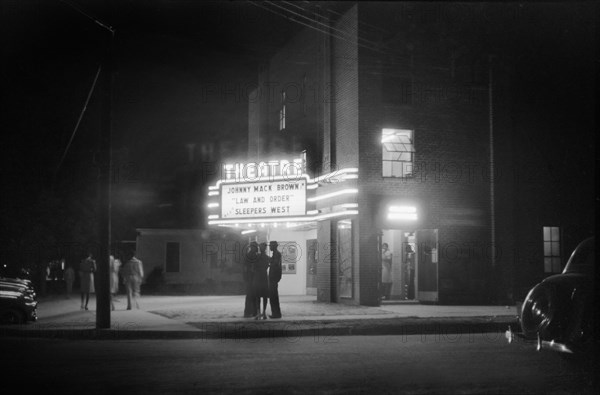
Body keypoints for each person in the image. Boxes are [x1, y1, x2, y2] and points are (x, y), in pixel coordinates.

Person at [253, 242, 270, 320]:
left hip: (260, 277)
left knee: (260, 296)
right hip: (262, 277)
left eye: (262, 247)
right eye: (261, 247)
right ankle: (261, 312)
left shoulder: (257, 257)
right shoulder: (266, 257)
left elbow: (254, 267)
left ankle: (261, 312)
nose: (261, 248)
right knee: (261, 296)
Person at [243, 242, 259, 317]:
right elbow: (246, 268)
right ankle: (249, 312)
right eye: (255, 247)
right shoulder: (249, 255)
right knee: (250, 295)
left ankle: (252, 312)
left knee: (253, 296)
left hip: (253, 278)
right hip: (250, 278)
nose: (256, 248)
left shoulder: (254, 255)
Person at [268, 240, 282, 318]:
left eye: (271, 245)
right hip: (273, 277)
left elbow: (275, 264)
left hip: (274, 278)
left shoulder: (277, 254)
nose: (270, 247)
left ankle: (276, 314)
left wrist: (269, 262)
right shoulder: (275, 254)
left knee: (273, 297)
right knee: (273, 297)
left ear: (274, 246)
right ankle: (275, 313)